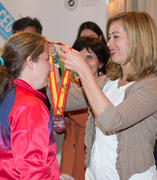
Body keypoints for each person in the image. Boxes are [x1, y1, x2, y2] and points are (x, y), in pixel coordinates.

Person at [58, 11, 157, 180]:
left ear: (137, 40)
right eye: (109, 37)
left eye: (115, 37)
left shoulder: (153, 87)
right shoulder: (108, 81)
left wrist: (83, 70)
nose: (109, 43)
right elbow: (64, 102)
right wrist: (49, 67)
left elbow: (112, 121)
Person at [0, 32, 74, 180]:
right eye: (46, 59)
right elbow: (33, 171)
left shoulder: (5, 96)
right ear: (30, 62)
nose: (50, 68)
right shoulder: (30, 106)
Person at [59, 37, 109, 180]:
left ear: (101, 63)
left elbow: (91, 121)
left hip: (92, 164)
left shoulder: (107, 88)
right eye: (79, 58)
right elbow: (62, 129)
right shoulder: (70, 85)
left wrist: (65, 106)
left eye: (89, 57)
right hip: (68, 165)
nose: (83, 62)